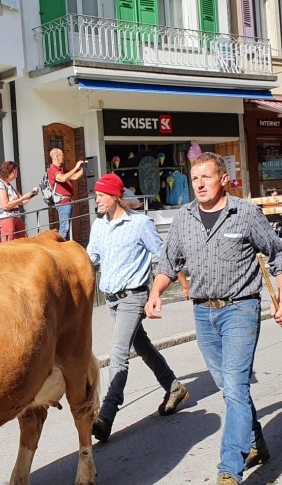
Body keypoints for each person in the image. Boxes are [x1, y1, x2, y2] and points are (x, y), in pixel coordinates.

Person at [145, 152, 282, 485]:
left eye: (206, 177)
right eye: (194, 178)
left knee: (236, 389)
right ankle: (257, 442)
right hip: (202, 312)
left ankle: (230, 469)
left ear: (224, 179)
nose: (199, 184)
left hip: (240, 309)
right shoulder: (184, 218)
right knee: (230, 388)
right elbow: (168, 262)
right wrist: (156, 294)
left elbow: (281, 256)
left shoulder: (245, 214)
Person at [86, 174, 190, 443]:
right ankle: (174, 386)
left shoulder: (141, 224)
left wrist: (183, 283)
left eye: (101, 194)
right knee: (142, 346)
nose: (96, 199)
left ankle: (106, 416)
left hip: (134, 297)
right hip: (111, 299)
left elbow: (164, 256)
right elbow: (90, 260)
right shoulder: (99, 226)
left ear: (114, 196)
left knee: (118, 353)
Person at [0, 161, 37, 242]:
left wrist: (33, 194)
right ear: (8, 172)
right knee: (9, 245)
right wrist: (21, 199)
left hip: (16, 216)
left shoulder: (9, 185)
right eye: (15, 173)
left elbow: (22, 201)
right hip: (6, 218)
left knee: (23, 241)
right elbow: (5, 205)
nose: (16, 175)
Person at [47, 148, 85, 239]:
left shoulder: (62, 170)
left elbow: (75, 176)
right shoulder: (52, 170)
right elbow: (63, 178)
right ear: (57, 157)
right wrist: (76, 167)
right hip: (63, 202)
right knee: (64, 228)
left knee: (68, 227)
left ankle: (65, 247)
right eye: (62, 156)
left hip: (69, 201)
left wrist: (84, 169)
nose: (64, 158)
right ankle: (59, 248)